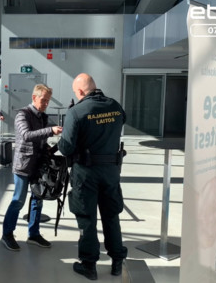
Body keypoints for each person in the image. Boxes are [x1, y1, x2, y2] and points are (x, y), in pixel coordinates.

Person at [58, 73, 128, 280]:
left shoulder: (76, 111)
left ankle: (89, 265)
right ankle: (117, 261)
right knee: (111, 215)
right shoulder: (116, 107)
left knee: (87, 218)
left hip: (86, 174)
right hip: (111, 172)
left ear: (80, 92)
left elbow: (66, 148)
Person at [1, 84, 62, 251]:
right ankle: (7, 234)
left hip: (38, 165)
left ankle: (33, 234)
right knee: (18, 200)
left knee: (38, 199)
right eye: (43, 100)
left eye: (48, 101)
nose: (46, 103)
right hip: (23, 165)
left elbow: (39, 139)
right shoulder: (22, 115)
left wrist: (47, 146)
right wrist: (50, 130)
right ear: (34, 97)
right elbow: (27, 135)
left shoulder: (42, 116)